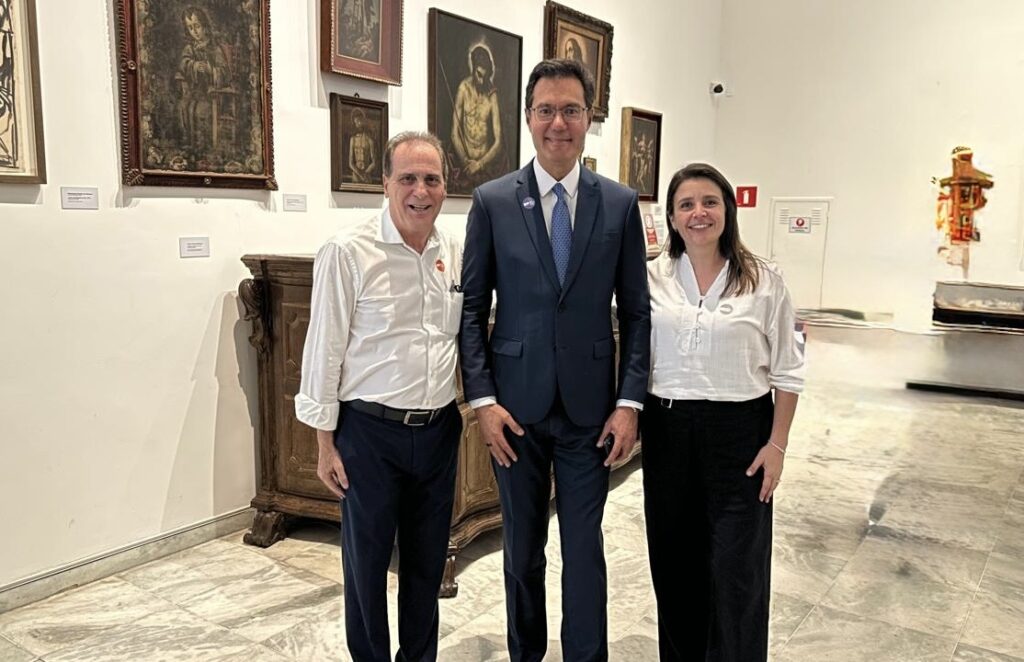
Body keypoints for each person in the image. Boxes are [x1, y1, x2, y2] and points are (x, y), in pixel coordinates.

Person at [460, 58, 650, 662]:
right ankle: (526, 653)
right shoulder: (492, 202)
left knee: (584, 549)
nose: (558, 123)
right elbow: (472, 310)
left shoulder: (618, 204)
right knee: (521, 549)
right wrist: (483, 402)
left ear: (589, 118)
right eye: (546, 110)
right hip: (514, 411)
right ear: (528, 118)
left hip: (592, 413)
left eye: (571, 110)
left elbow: (638, 313)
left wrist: (629, 403)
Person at [295, 131, 464, 662]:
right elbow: (324, 350)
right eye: (408, 178)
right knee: (366, 566)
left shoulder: (454, 250)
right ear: (385, 183)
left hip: (438, 432)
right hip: (370, 435)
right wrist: (325, 443)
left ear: (445, 186)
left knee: (426, 564)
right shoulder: (348, 252)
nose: (420, 191)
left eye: (431, 179)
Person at [641, 162, 804, 661]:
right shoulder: (650, 278)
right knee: (675, 563)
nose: (699, 213)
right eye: (686, 204)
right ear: (672, 217)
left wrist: (777, 445)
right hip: (668, 430)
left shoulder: (764, 280)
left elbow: (789, 370)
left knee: (737, 569)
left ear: (728, 211)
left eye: (710, 202)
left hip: (740, 434)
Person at [451, 44, 503, 189]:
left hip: (485, 165)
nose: (481, 81)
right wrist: (465, 162)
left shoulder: (492, 95)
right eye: (479, 75)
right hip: (464, 163)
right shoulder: (463, 89)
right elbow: (454, 133)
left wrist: (479, 164)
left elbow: (498, 142)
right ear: (473, 68)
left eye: (485, 77)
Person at [348, 108, 376, 184]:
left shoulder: (369, 140)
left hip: (367, 175)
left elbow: (374, 162)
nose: (359, 124)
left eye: (360, 121)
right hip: (356, 175)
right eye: (356, 122)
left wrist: (365, 173)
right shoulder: (352, 139)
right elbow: (350, 163)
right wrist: (360, 174)